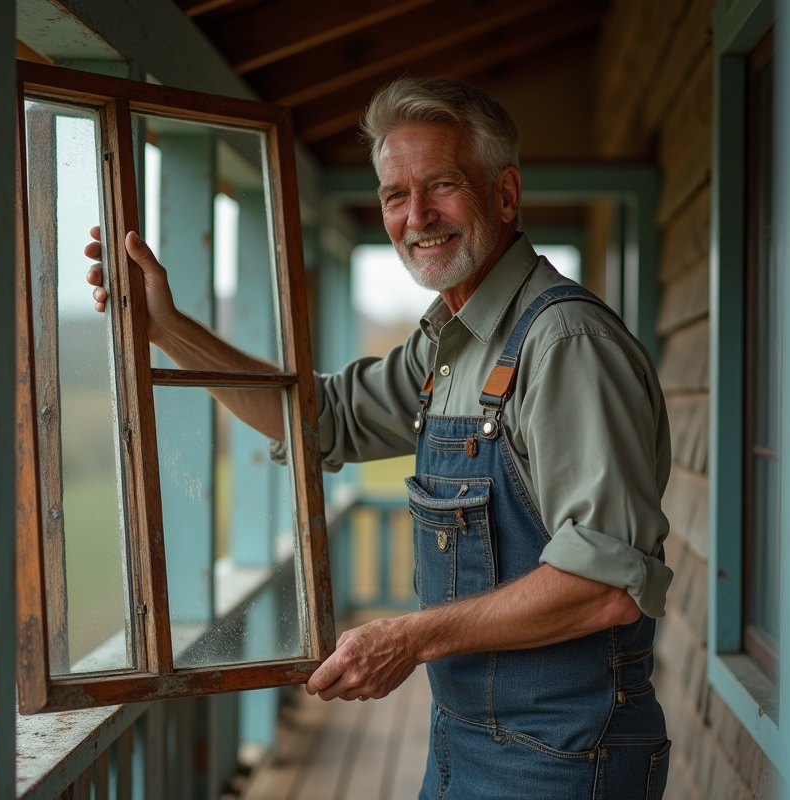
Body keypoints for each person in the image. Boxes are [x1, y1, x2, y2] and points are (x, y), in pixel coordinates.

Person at [85, 77, 673, 799]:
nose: (416, 216)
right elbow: (319, 420)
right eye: (395, 194)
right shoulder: (449, 346)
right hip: (465, 739)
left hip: (562, 760)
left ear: (505, 194)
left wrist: (411, 638)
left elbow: (605, 586)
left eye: (442, 185)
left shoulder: (563, 345)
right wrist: (169, 329)